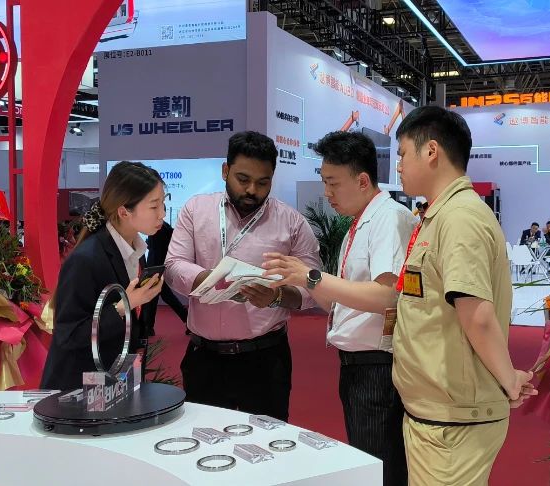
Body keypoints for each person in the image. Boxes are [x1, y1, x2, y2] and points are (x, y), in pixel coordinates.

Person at [392, 106, 537, 486]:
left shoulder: (460, 218)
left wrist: (509, 380)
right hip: (440, 413)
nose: (398, 166)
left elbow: (478, 316)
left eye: (403, 154)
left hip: (454, 420)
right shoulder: (442, 215)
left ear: (431, 151)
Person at [261, 131, 415, 486]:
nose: (326, 193)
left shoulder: (388, 217)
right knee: (372, 460)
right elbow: (335, 301)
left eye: (333, 183)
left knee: (381, 468)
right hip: (359, 366)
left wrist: (311, 277)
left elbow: (387, 296)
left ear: (362, 180)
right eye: (324, 182)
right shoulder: (358, 224)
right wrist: (299, 279)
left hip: (379, 366)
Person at [164, 131, 321, 421]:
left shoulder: (292, 223)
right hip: (204, 358)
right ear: (225, 170)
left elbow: (312, 286)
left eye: (263, 183)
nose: (252, 190)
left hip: (265, 359)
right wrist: (209, 279)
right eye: (243, 179)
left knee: (265, 440)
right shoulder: (196, 210)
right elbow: (173, 266)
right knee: (203, 437)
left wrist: (276, 297)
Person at [41, 161, 166, 390]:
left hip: (112, 381)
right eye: (154, 206)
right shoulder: (86, 259)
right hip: (77, 389)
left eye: (163, 204)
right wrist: (123, 306)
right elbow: (68, 335)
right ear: (124, 211)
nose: (162, 214)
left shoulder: (136, 252)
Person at [145, 219, 188, 327]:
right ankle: (187, 320)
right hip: (159, 265)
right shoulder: (165, 227)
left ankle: (148, 327)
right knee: (163, 295)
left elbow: (155, 249)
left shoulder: (157, 227)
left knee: (160, 296)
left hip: (155, 266)